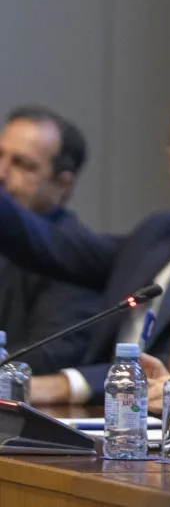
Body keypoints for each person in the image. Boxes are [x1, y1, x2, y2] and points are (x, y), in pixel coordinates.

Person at [0, 89, 170, 407]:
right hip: (97, 417)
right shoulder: (157, 233)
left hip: (169, 423)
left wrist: (64, 385)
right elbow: (55, 248)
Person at [0, 106, 101, 374]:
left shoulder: (73, 260)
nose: (1, 173)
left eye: (22, 164)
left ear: (62, 185)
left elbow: (47, 358)